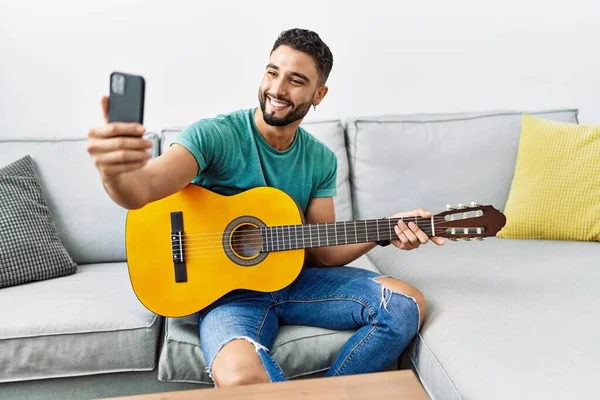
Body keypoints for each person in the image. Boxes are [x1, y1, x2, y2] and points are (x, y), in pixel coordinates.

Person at [87, 28, 445, 387]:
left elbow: (323, 253)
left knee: (405, 305)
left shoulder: (319, 159)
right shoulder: (215, 135)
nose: (277, 89)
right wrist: (115, 174)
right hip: (228, 297)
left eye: (296, 80)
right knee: (242, 379)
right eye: (272, 72)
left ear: (318, 94)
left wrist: (386, 229)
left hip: (297, 283)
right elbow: (142, 190)